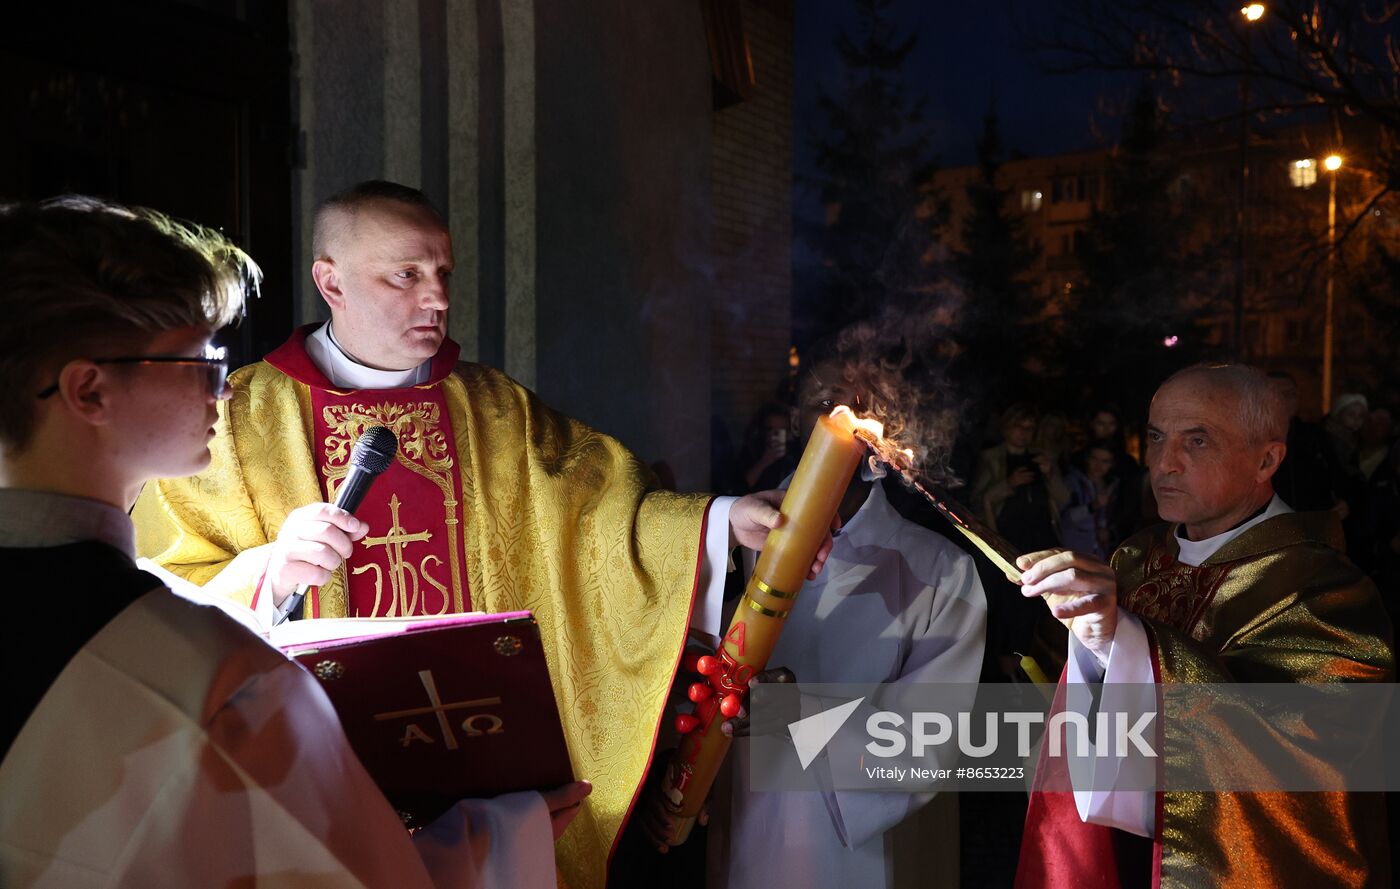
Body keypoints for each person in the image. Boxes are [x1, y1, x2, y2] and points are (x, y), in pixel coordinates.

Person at [134, 180, 825, 888]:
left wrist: (716, 521)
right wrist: (271, 570)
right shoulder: (234, 418)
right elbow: (161, 592)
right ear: (329, 280)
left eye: (443, 274)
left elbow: (597, 521)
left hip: (485, 783)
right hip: (316, 784)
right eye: (405, 275)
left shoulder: (493, 409)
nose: (435, 297)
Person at [0, 196, 571, 887]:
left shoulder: (194, 659)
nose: (224, 389)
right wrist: (501, 840)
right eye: (199, 357)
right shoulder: (220, 680)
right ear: (89, 391)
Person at [1014, 364, 1393, 887]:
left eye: (1198, 440)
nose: (1165, 463)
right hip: (1115, 856)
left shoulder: (1327, 588)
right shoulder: (1134, 556)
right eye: (1156, 437)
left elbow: (1308, 764)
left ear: (1267, 459)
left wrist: (1123, 639)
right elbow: (1060, 689)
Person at [703, 357, 988, 889]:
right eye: (826, 402)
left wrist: (801, 713)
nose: (843, 417)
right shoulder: (730, 544)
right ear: (798, 418)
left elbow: (931, 736)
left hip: (852, 847)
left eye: (863, 405)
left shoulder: (939, 569)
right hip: (743, 818)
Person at [1059, 444, 1117, 560]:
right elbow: (1064, 518)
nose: (1098, 465)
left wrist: (1110, 534)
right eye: (1094, 459)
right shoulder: (1072, 482)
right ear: (1087, 459)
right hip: (1074, 552)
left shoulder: (1113, 485)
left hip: (1101, 554)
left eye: (1105, 461)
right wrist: (1092, 506)